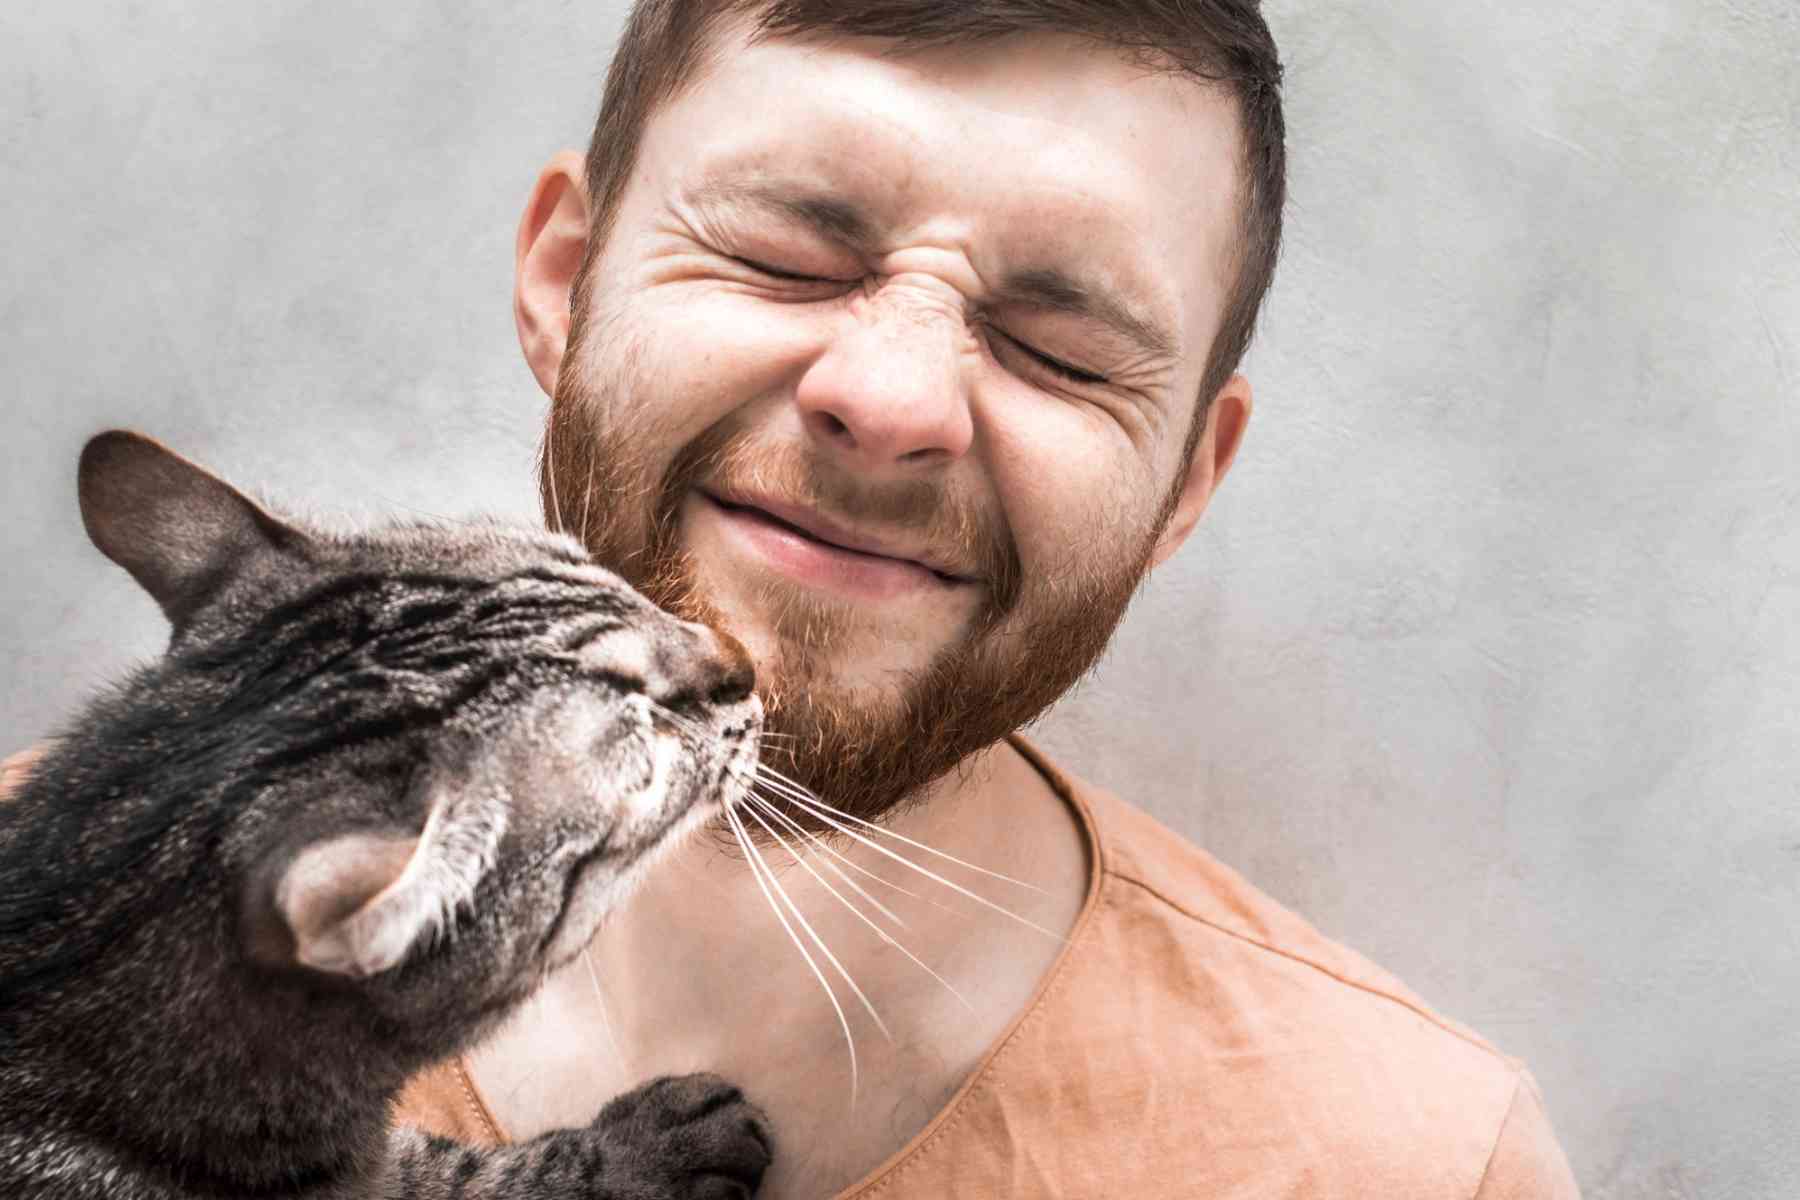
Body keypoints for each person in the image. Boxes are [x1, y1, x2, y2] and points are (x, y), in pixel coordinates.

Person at [4, 2, 1581, 1196]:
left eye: (1062, 350)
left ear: (1184, 487)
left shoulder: (1419, 1161)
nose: (892, 398)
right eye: (781, 253)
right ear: (563, 281)